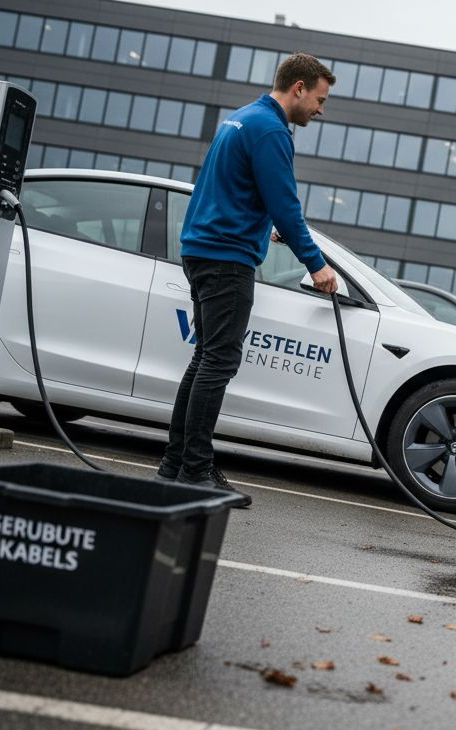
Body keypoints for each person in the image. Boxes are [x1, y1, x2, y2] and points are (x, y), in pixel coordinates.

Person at [156, 53, 340, 507]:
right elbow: (285, 205)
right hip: (226, 259)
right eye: (319, 100)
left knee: (205, 358)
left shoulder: (241, 118)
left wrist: (262, 227)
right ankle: (194, 471)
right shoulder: (272, 130)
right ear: (298, 88)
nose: (321, 110)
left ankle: (175, 466)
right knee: (218, 362)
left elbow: (232, 188)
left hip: (202, 249)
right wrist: (316, 264)